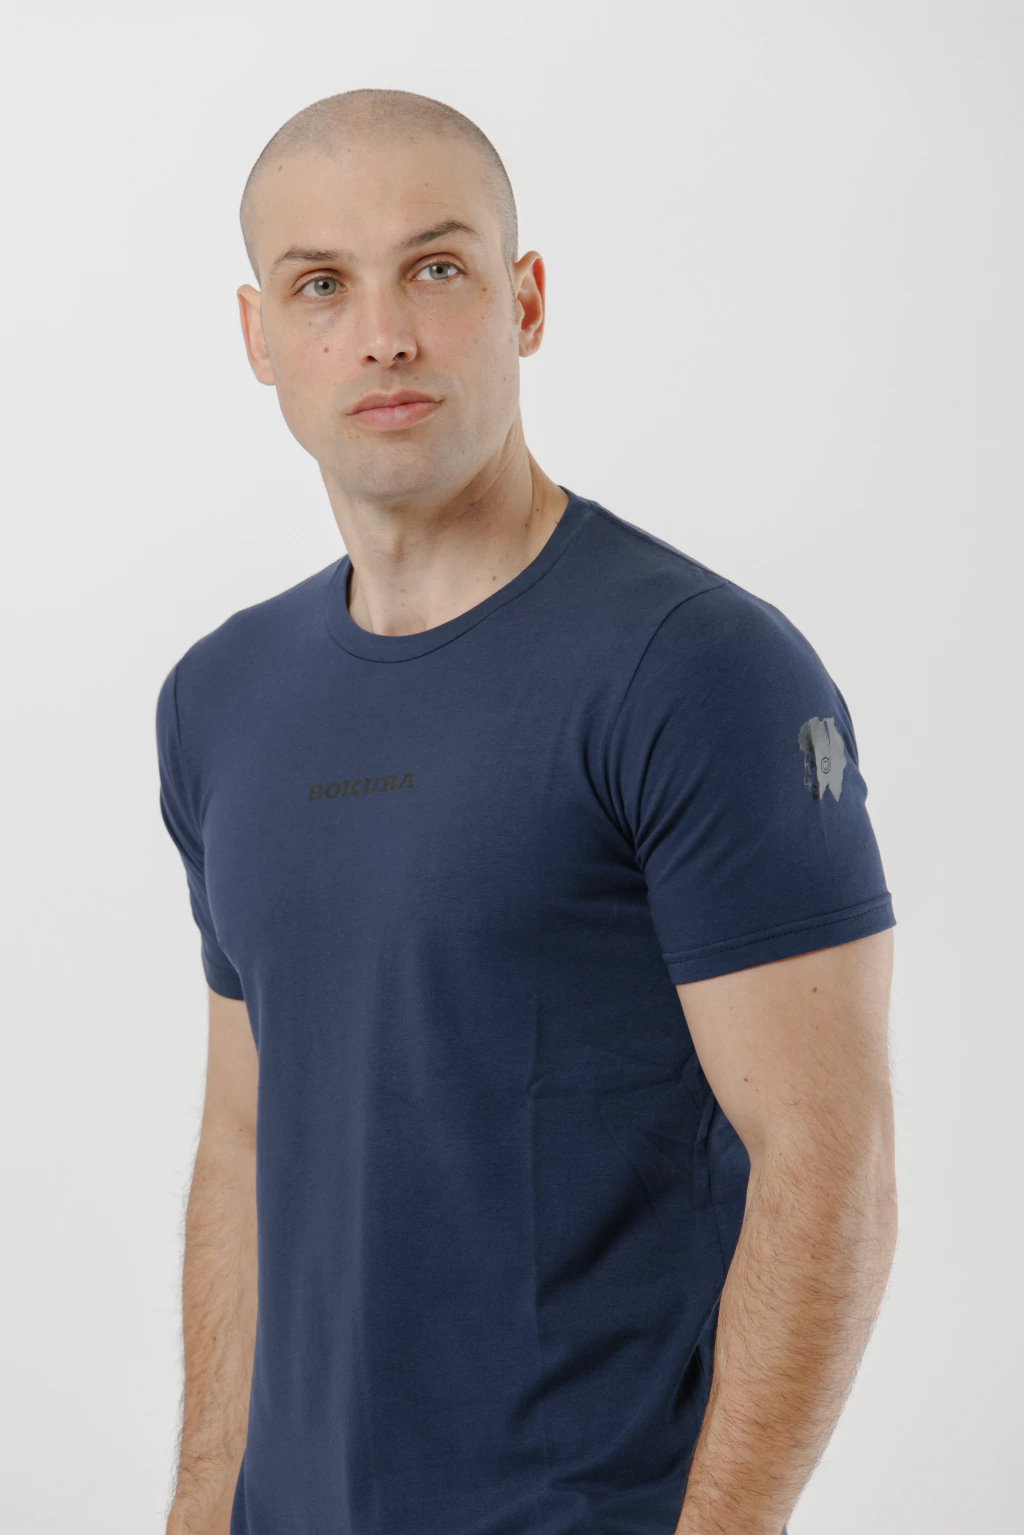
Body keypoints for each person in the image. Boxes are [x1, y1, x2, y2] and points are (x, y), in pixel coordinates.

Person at [156, 88, 897, 1535]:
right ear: (259, 336)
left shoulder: (699, 669)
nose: (383, 334)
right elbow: (242, 1140)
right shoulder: (220, 698)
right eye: (322, 285)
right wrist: (197, 1510)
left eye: (436, 268)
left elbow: (830, 1164)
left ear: (526, 300)